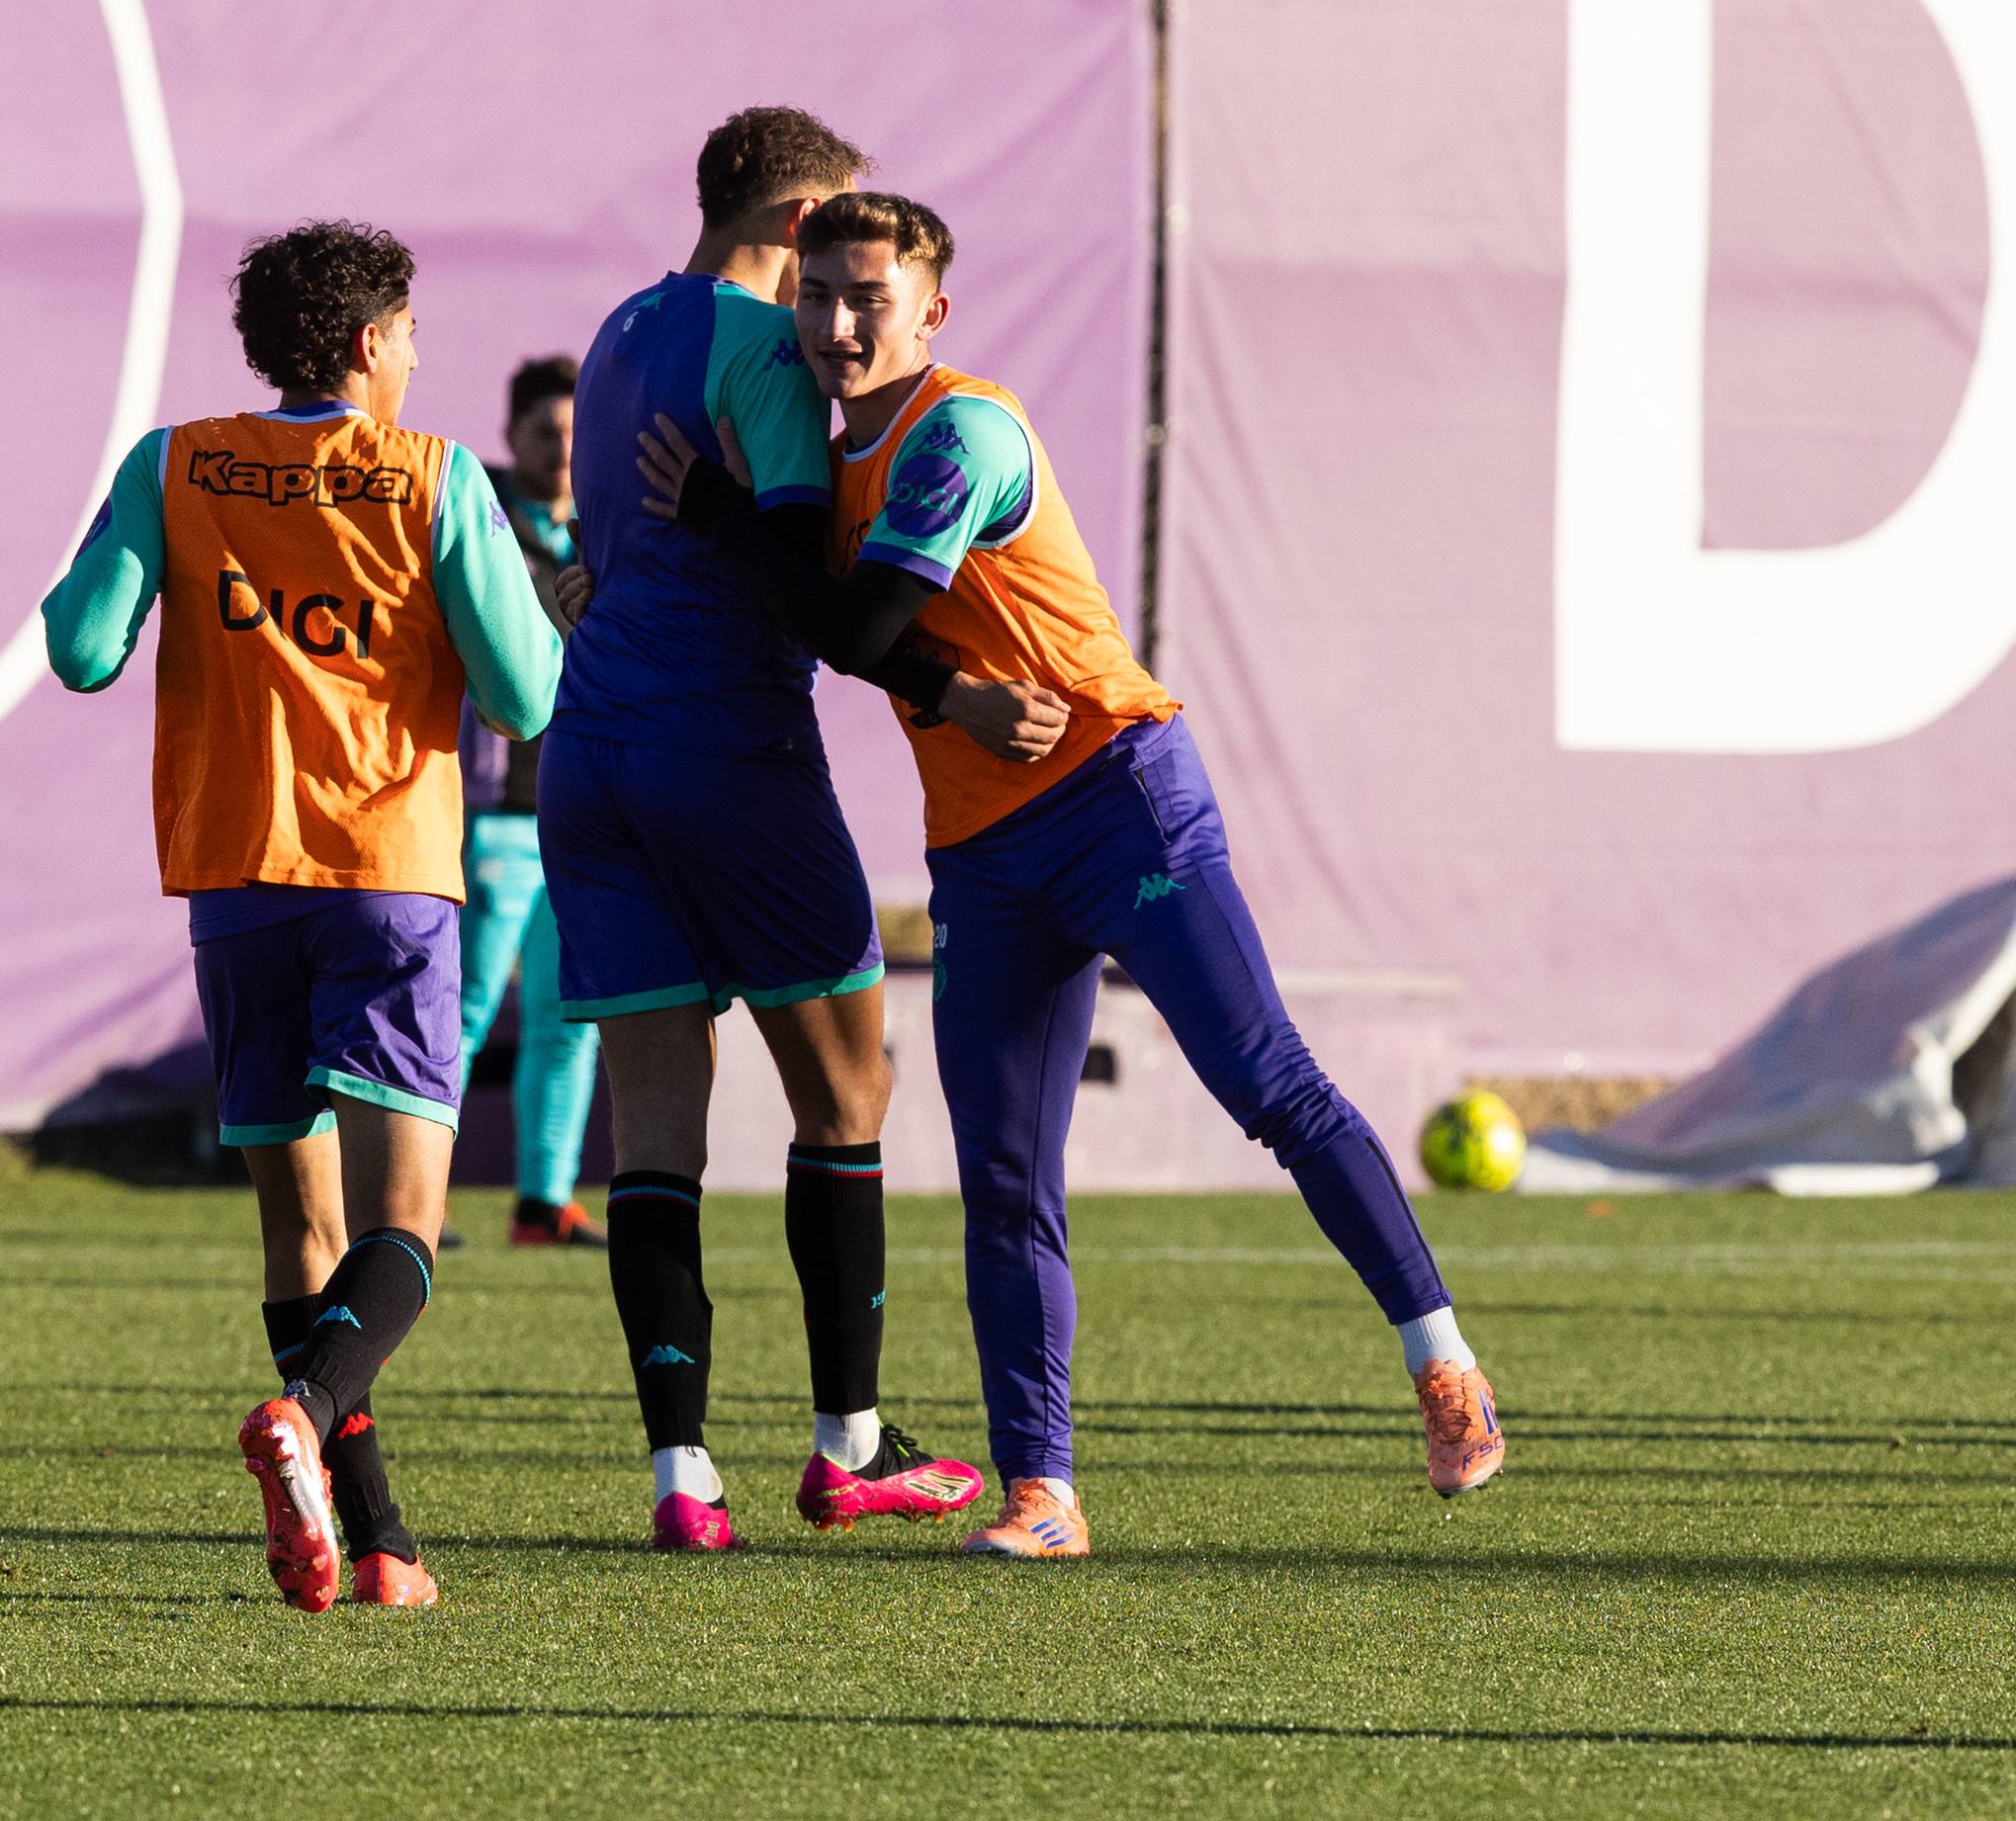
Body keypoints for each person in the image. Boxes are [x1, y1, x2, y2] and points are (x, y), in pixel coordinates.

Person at [633, 190, 1508, 1561]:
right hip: (982, 853)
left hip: (1114, 798)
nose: (836, 323)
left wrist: (724, 523)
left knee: (1265, 1086)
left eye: (870, 298)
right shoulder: (814, 451)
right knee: (999, 1178)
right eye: (817, 295)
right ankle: (1043, 1492)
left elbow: (853, 624)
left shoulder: (958, 431)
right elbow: (809, 606)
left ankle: (1440, 1360)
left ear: (932, 312)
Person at [42, 219, 561, 1611]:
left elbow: (83, 652)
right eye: (405, 332)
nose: (411, 354)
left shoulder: (172, 464)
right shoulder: (433, 477)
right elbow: (524, 699)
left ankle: (378, 1541)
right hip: (386, 874)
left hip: (234, 885)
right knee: (404, 1227)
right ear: (367, 342)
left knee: (297, 1225)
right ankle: (307, 1412)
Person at [543, 108, 1033, 1551]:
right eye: (830, 247)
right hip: (725, 748)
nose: (834, 300)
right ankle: (849, 1444)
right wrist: (948, 676)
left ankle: (680, 1479)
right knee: (845, 1102)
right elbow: (811, 587)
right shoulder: (760, 351)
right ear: (803, 215)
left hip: (590, 756)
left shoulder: (622, 327)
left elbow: (601, 551)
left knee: (652, 1137)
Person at [456, 355, 608, 1249]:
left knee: (567, 1015)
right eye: (544, 432)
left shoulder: (606, 529)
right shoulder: (477, 522)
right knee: (460, 1012)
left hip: (585, 809)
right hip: (498, 810)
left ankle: (542, 1201)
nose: (560, 449)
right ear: (509, 436)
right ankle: (411, 1208)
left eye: (573, 432)